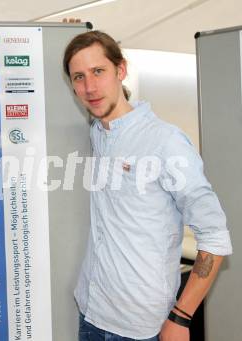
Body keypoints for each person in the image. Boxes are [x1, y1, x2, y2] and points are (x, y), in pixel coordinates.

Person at [63, 30, 232, 341]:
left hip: (139, 327)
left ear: (121, 70)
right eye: (79, 77)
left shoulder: (165, 141)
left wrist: (181, 318)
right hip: (91, 311)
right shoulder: (98, 132)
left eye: (98, 71)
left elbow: (215, 236)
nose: (90, 87)